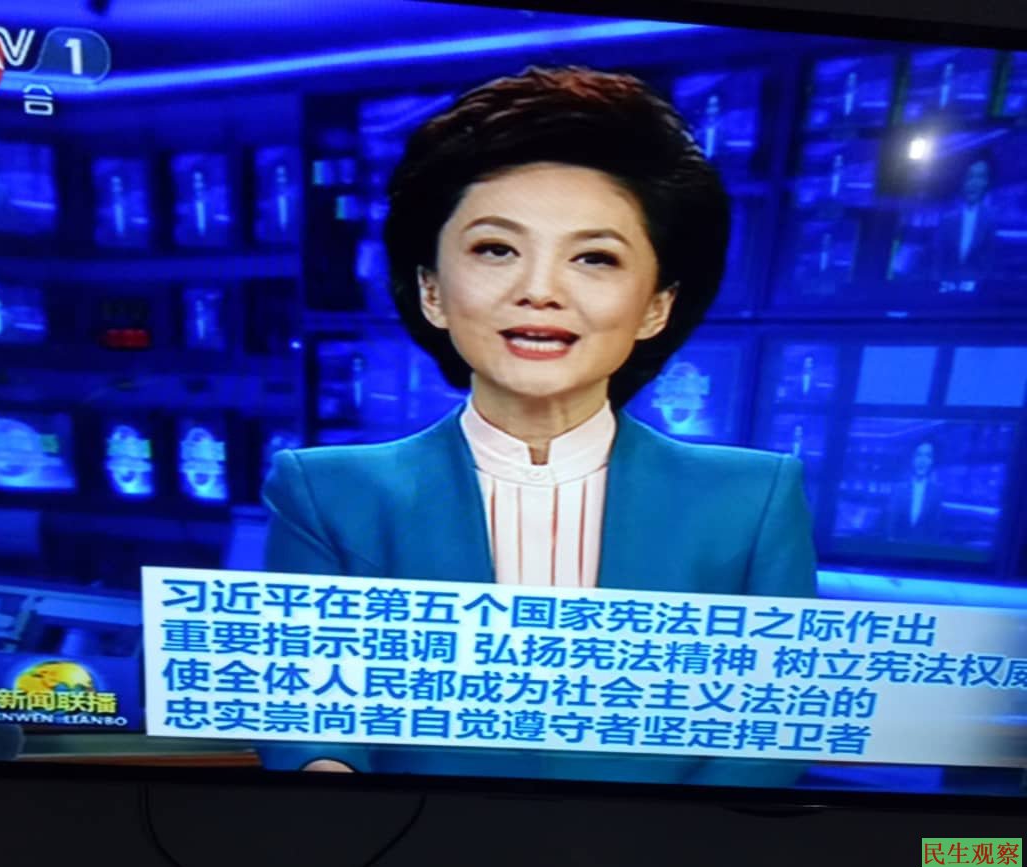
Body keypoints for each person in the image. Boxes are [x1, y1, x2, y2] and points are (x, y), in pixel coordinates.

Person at [261, 67, 817, 785]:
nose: (540, 291)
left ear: (656, 305)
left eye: (594, 257)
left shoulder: (752, 500)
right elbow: (308, 718)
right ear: (431, 289)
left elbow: (768, 734)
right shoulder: (328, 494)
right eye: (496, 249)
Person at [933, 158, 997, 281]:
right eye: (969, 176)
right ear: (962, 181)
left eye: (980, 177)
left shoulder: (993, 220)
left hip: (980, 289)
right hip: (945, 287)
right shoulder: (947, 220)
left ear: (987, 182)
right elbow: (937, 261)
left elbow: (992, 264)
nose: (974, 183)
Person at [886, 439, 944, 542]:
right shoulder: (898, 489)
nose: (922, 461)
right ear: (912, 459)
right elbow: (890, 526)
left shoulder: (937, 492)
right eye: (918, 455)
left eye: (928, 456)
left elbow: (936, 530)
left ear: (932, 461)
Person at [175, 164, 229, 245]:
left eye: (201, 181)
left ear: (206, 183)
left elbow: (225, 220)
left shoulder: (216, 202)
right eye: (195, 182)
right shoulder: (184, 207)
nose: (198, 186)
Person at [256, 160, 299, 242]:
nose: (281, 180)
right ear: (274, 179)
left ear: (288, 177)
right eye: (278, 176)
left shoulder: (295, 199)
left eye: (283, 176)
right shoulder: (268, 204)